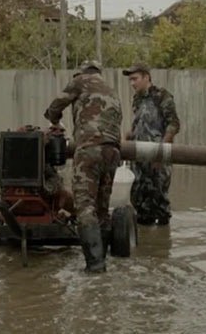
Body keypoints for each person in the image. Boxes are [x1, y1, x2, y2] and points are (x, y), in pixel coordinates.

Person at [44, 60, 122, 273]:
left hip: (89, 149)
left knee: (84, 206)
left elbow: (56, 105)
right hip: (113, 151)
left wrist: (54, 120)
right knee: (102, 210)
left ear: (83, 72)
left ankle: (95, 267)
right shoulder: (112, 90)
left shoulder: (80, 81)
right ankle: (103, 260)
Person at [122, 62, 180, 226]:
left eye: (135, 79)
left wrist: (161, 153)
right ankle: (147, 247)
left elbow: (173, 125)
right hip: (139, 158)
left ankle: (162, 246)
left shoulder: (162, 96)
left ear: (146, 77)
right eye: (130, 80)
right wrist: (128, 136)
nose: (132, 83)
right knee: (139, 203)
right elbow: (141, 124)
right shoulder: (137, 99)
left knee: (160, 203)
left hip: (158, 158)